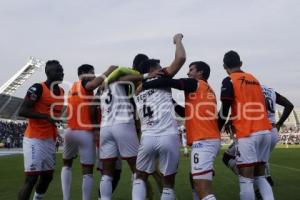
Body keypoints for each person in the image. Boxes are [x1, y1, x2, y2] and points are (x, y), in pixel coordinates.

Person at [140, 61, 220, 200]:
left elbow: (171, 82)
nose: (188, 73)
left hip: (204, 141)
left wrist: (144, 85)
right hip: (208, 139)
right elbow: (184, 113)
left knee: (203, 188)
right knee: (194, 179)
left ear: (200, 73)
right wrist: (170, 100)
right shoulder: (206, 89)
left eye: (191, 70)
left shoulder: (195, 83)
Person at [218, 50, 274, 200]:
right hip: (266, 131)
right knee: (260, 176)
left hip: (248, 134)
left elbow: (225, 107)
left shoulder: (229, 80)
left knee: (246, 179)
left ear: (224, 66)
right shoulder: (254, 79)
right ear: (241, 63)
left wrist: (217, 127)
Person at [61, 64, 116, 200]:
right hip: (85, 132)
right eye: (92, 73)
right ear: (84, 73)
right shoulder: (85, 82)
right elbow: (91, 85)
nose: (94, 75)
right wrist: (108, 71)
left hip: (70, 131)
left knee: (66, 164)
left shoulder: (72, 87)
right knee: (87, 171)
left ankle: (66, 198)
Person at [222, 85, 294, 186]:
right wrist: (279, 124)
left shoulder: (249, 90)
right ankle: (266, 178)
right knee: (260, 163)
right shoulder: (271, 91)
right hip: (272, 132)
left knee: (227, 157)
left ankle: (249, 180)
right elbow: (289, 105)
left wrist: (230, 120)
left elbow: (240, 107)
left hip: (255, 130)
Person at [18, 60, 65, 200]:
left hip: (49, 140)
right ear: (48, 73)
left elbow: (53, 116)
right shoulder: (38, 88)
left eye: (62, 70)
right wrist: (45, 116)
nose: (61, 73)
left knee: (47, 177)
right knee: (31, 179)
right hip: (34, 139)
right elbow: (23, 110)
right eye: (58, 70)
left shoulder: (62, 92)